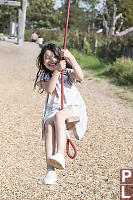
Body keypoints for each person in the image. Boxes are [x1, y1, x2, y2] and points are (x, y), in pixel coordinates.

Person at [34, 43, 87, 184]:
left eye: (54, 57)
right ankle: (50, 170)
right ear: (42, 60)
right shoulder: (44, 74)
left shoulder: (67, 72)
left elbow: (80, 77)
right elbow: (50, 89)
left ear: (60, 58)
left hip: (72, 107)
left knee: (59, 116)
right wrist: (56, 71)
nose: (50, 60)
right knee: (49, 125)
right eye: (46, 57)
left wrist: (71, 57)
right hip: (53, 108)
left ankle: (60, 154)